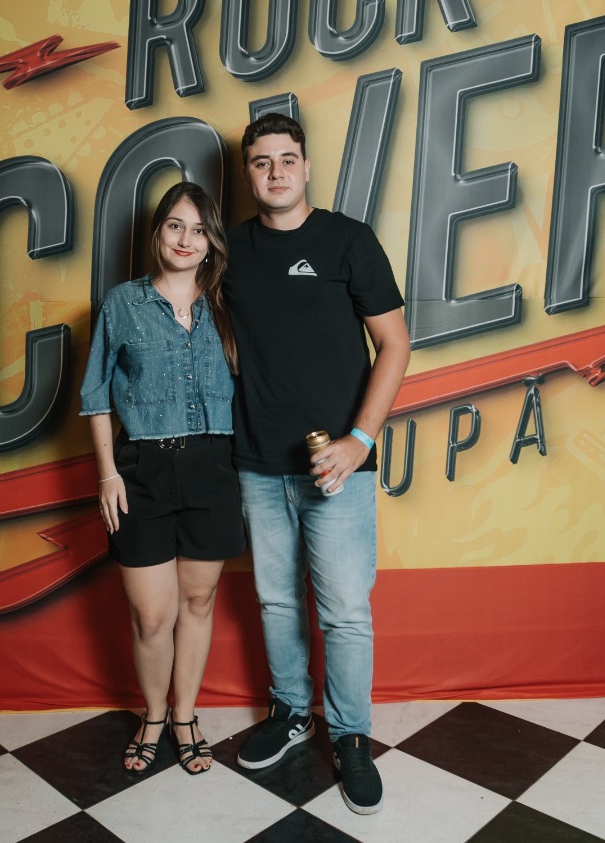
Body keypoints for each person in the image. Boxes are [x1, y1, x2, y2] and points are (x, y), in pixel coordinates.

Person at [225, 113, 410, 815]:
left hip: (337, 465)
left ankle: (352, 736)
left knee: (344, 613)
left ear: (306, 167)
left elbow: (396, 343)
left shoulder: (348, 240)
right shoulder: (230, 250)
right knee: (275, 599)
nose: (276, 172)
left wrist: (359, 439)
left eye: (287, 159)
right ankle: (291, 712)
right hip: (256, 460)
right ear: (248, 173)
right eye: (261, 161)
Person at [79, 181, 246, 777]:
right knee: (152, 615)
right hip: (142, 470)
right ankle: (153, 715)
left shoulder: (227, 303)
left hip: (213, 467)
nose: (186, 239)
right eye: (175, 225)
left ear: (212, 241)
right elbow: (95, 393)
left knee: (198, 601)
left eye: (199, 230)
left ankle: (185, 717)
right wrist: (107, 474)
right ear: (157, 233)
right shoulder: (122, 303)